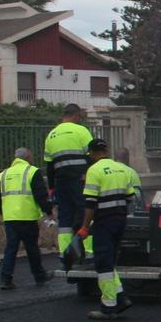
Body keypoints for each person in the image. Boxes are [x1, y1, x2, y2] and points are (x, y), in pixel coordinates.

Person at [77, 138, 135, 321]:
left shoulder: (93, 170)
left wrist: (85, 227)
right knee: (109, 262)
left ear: (93, 154)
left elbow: (90, 203)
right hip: (120, 221)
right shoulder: (122, 169)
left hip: (103, 223)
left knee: (103, 265)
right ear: (107, 150)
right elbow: (130, 197)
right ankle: (121, 298)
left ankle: (108, 307)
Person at [0, 147, 55, 290]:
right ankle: (39, 276)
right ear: (28, 157)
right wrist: (48, 211)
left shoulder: (3, 174)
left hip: (10, 217)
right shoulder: (32, 171)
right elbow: (41, 195)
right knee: (32, 248)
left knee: (11, 248)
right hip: (27, 217)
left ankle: (5, 279)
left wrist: (5, 212)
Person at [43, 103, 94, 260]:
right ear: (76, 116)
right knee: (85, 213)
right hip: (80, 181)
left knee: (64, 217)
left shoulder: (51, 135)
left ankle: (65, 252)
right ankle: (87, 250)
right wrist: (89, 175)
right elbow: (93, 155)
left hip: (61, 182)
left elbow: (49, 166)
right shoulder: (81, 131)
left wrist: (51, 188)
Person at [114, 147, 144, 211]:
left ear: (114, 158)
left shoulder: (108, 171)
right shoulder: (132, 172)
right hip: (127, 209)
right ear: (127, 158)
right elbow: (138, 195)